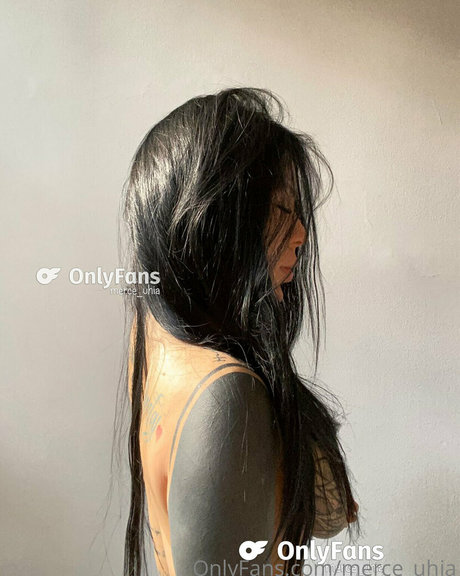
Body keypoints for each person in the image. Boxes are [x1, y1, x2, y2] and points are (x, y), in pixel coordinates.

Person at [116, 87, 360, 576]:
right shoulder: (227, 395)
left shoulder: (153, 337)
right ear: (213, 219)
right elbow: (330, 514)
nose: (301, 235)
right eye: (281, 209)